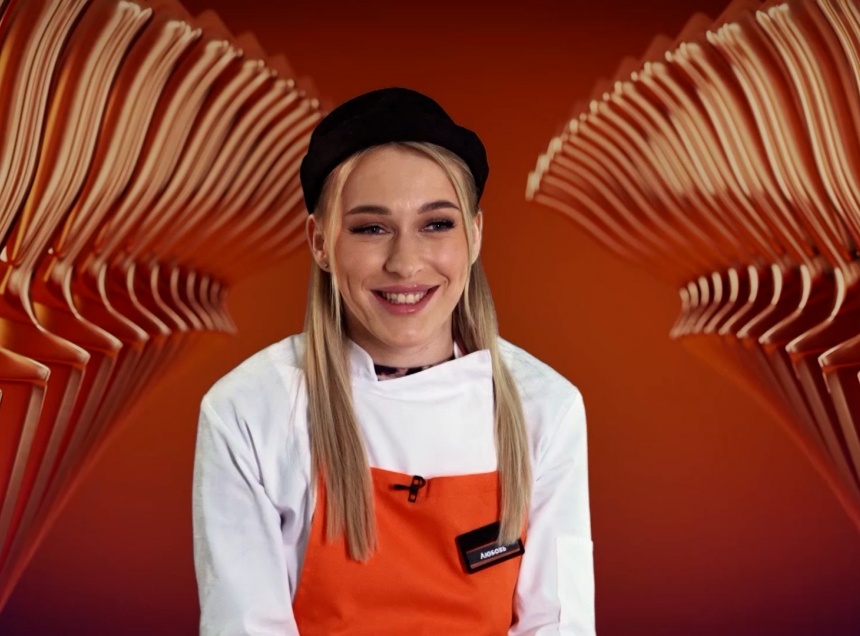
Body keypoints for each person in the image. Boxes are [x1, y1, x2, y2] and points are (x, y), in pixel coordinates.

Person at [192, 87, 595, 635]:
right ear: (320, 242)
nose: (406, 263)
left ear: (475, 235)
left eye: (437, 224)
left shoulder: (545, 408)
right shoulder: (248, 412)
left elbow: (556, 625)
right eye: (371, 228)